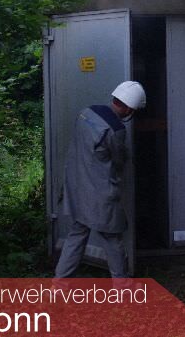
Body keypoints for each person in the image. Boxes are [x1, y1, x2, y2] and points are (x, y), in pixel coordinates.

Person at [55, 81, 146, 279]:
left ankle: (59, 285)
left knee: (76, 235)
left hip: (78, 188)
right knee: (112, 239)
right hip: (100, 194)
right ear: (129, 109)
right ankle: (122, 288)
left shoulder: (86, 113)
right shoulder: (116, 130)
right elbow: (119, 160)